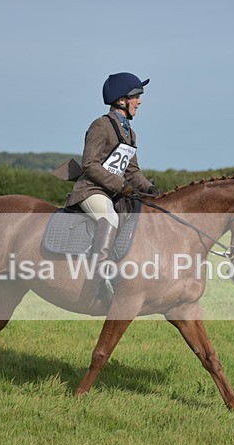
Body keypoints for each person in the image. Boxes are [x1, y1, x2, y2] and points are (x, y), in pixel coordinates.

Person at [66, 72, 158, 303]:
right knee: (110, 219)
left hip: (114, 192)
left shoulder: (129, 132)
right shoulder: (101, 125)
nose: (140, 101)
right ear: (121, 100)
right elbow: (89, 164)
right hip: (91, 190)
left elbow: (132, 170)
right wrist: (121, 186)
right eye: (136, 96)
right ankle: (99, 277)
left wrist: (150, 189)